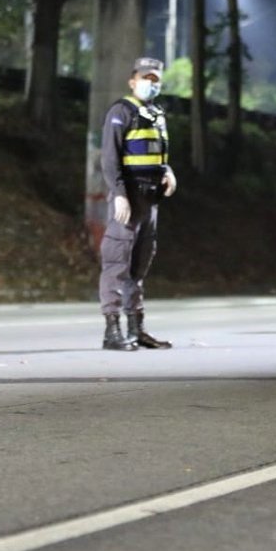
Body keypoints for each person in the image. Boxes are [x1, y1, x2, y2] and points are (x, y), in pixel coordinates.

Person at [98, 58, 178, 351]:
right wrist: (119, 193)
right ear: (132, 81)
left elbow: (158, 152)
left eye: (156, 79)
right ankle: (112, 331)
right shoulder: (121, 111)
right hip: (129, 196)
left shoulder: (156, 114)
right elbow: (110, 157)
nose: (151, 84)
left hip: (150, 198)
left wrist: (168, 172)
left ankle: (136, 328)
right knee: (117, 260)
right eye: (146, 78)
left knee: (139, 264)